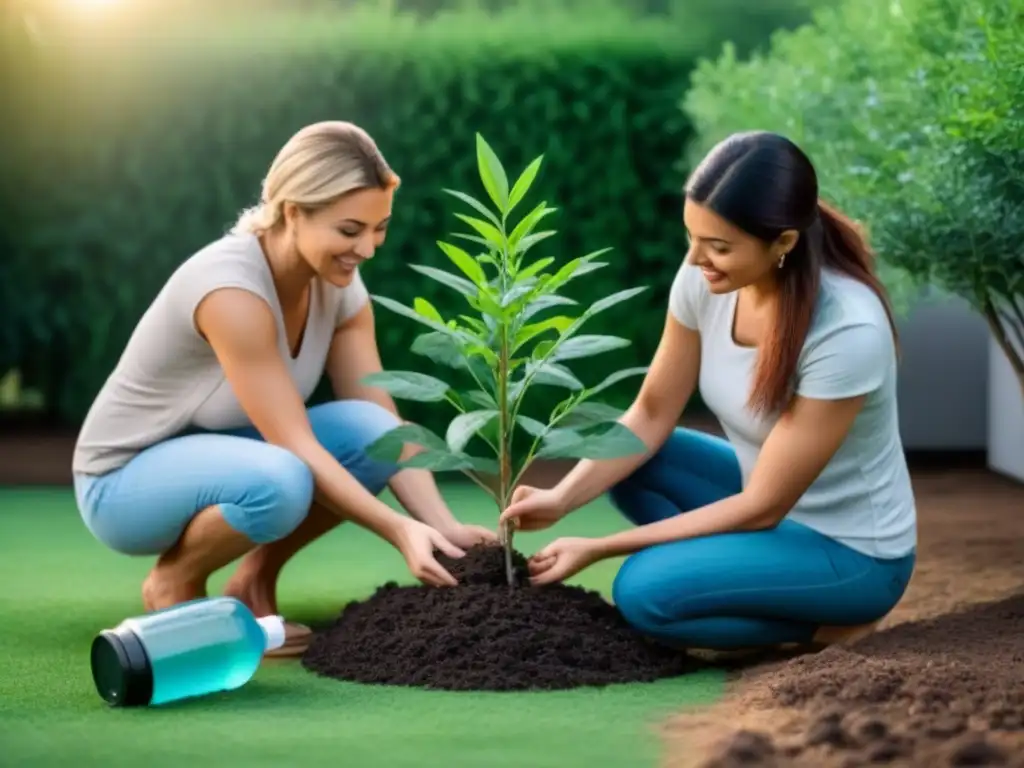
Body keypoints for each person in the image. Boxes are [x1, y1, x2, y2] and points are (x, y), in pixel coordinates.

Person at [72, 121, 495, 656]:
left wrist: (444, 527)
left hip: (232, 456)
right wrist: (398, 531)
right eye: (349, 230)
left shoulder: (338, 283)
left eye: (379, 228)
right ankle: (173, 581)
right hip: (123, 483)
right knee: (284, 479)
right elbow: (293, 442)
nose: (367, 247)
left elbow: (383, 423)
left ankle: (252, 581)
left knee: (371, 432)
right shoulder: (231, 291)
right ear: (293, 211)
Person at [499, 130, 917, 652]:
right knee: (632, 456)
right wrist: (561, 499)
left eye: (719, 246)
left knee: (645, 592)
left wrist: (602, 546)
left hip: (850, 554)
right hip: (760, 505)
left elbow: (764, 505)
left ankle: (821, 624)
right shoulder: (707, 277)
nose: (697, 259)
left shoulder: (847, 330)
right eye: (691, 237)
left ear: (783, 243)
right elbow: (651, 412)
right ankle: (722, 578)